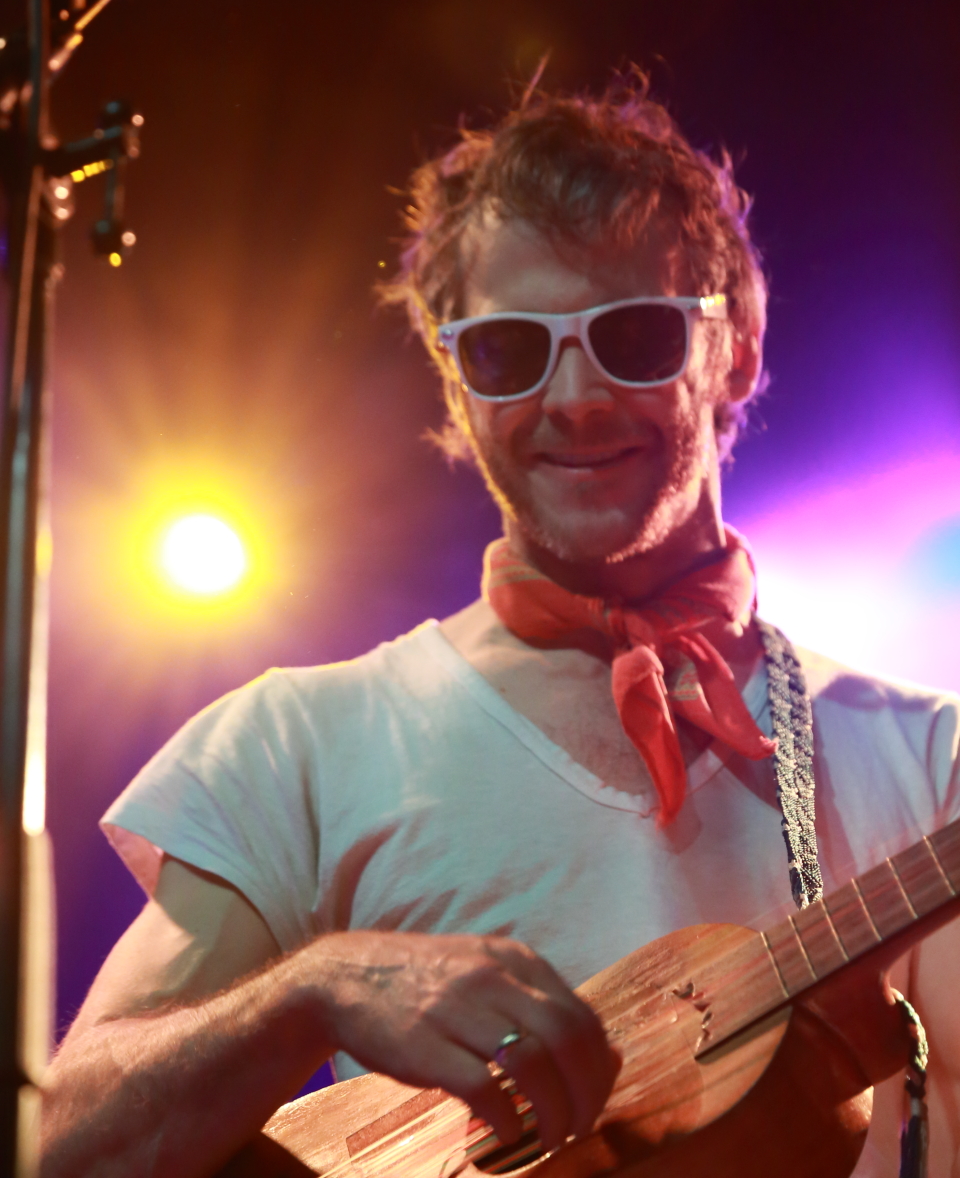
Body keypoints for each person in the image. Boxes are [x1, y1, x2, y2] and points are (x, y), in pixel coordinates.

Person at [40, 74, 960, 1178]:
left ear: (740, 348)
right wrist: (315, 990)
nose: (572, 397)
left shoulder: (930, 760)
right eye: (509, 351)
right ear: (452, 375)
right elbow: (59, 1149)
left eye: (633, 335)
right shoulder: (298, 743)